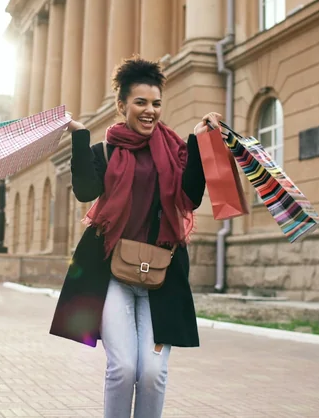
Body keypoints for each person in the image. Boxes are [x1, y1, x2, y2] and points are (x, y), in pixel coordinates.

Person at [49, 56, 220, 417]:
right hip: (112, 274)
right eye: (140, 102)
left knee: (153, 372)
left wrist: (199, 141)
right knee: (124, 368)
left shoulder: (177, 152)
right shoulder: (106, 152)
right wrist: (80, 137)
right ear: (122, 104)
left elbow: (190, 197)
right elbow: (84, 191)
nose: (150, 111)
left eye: (156, 103)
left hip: (162, 277)